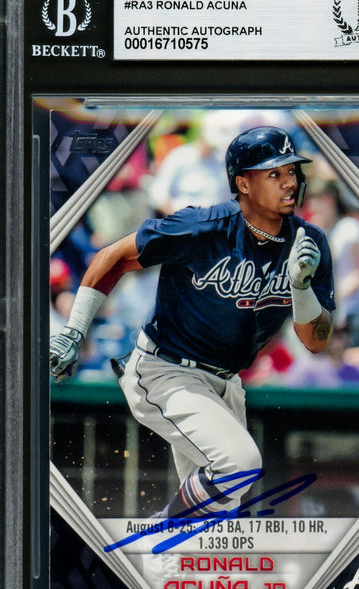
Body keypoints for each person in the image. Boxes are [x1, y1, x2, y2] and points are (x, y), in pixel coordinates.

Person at [50, 126, 335, 521]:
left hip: (227, 385)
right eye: (275, 173)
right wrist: (74, 330)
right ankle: (161, 528)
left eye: (292, 171)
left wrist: (301, 288)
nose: (290, 181)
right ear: (243, 183)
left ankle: (164, 552)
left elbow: (317, 342)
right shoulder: (203, 227)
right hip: (167, 370)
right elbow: (113, 257)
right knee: (240, 466)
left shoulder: (309, 242)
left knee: (214, 520)